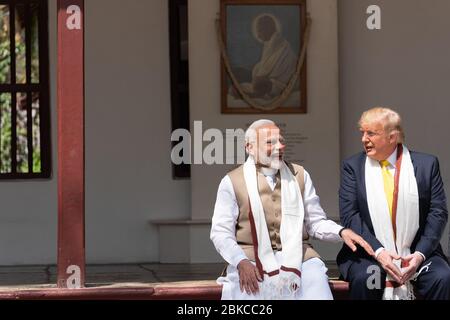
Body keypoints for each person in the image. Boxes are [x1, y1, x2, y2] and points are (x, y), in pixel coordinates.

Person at [210, 119, 374, 300]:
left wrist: (341, 232)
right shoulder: (232, 181)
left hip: (300, 257)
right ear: (250, 148)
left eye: (281, 140)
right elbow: (221, 233)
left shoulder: (299, 175)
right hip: (249, 258)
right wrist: (240, 261)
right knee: (248, 291)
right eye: (270, 142)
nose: (279, 146)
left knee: (315, 280)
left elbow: (315, 222)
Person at [337, 107, 450, 300]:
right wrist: (379, 252)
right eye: (362, 133)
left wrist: (419, 255)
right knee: (367, 278)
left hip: (417, 251)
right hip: (368, 253)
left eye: (371, 133)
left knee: (441, 277)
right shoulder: (353, 167)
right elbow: (350, 216)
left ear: (392, 137)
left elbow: (437, 212)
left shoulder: (426, 164)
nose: (364, 139)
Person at [229, 14, 298, 101]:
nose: (258, 35)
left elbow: (277, 72)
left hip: (279, 84)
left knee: (258, 83)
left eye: (260, 30)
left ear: (268, 29)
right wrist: (258, 74)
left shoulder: (281, 45)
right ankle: (251, 92)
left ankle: (252, 94)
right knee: (237, 75)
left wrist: (261, 78)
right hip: (265, 81)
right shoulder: (269, 44)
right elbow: (264, 67)